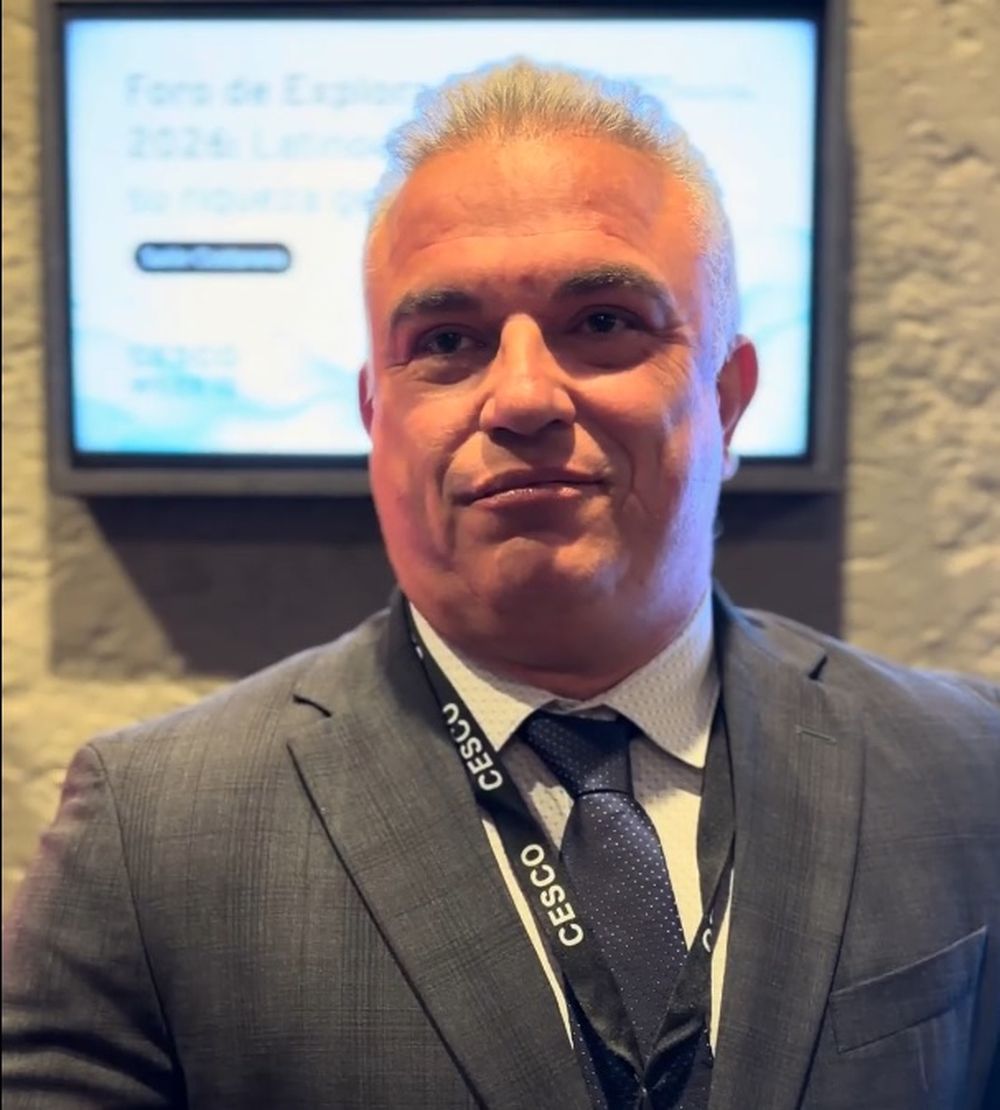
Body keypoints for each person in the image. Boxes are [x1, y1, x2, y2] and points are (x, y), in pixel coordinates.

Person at [3, 60, 998, 1110]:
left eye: (603, 322)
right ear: (376, 420)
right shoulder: (153, 836)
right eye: (447, 342)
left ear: (727, 397)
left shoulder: (967, 771)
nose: (523, 398)